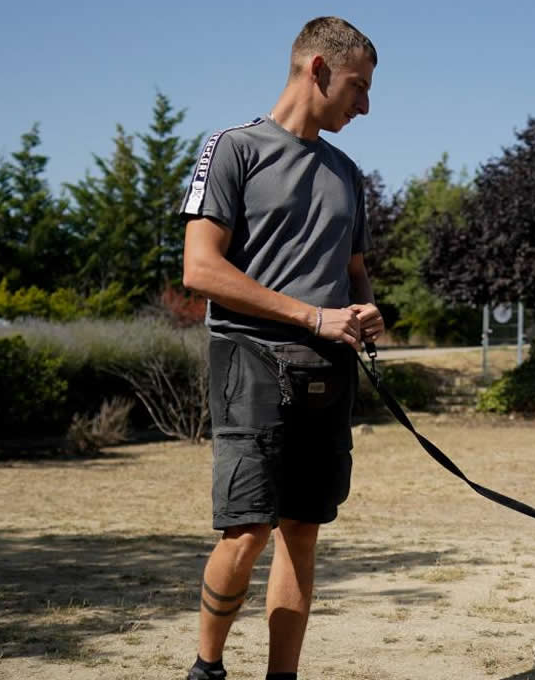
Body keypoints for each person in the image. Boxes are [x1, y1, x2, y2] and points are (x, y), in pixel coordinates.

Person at [179, 16, 384, 680]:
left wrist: (364, 307)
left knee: (302, 530)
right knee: (247, 532)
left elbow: (354, 271)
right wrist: (311, 316)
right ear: (317, 69)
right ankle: (207, 669)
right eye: (357, 86)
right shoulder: (233, 148)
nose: (365, 104)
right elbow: (201, 270)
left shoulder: (348, 173)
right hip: (250, 356)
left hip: (327, 368)